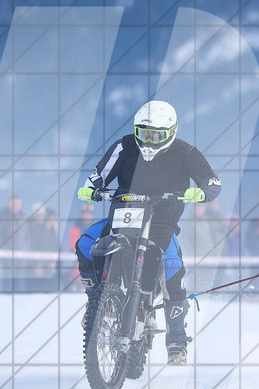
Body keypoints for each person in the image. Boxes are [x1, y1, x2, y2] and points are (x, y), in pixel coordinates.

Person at [77, 100, 221, 365]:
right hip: (122, 217)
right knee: (85, 245)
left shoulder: (186, 152)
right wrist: (91, 187)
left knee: (173, 268)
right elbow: (100, 173)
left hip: (162, 222)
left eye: (157, 136)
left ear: (171, 132)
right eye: (144, 134)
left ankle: (176, 340)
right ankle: (95, 302)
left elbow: (211, 180)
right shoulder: (124, 146)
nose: (150, 141)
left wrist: (201, 192)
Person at [0, 194, 25, 292]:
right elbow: (0, 235)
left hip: (20, 253)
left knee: (18, 280)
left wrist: (25, 247)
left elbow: (26, 235)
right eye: (14, 204)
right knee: (7, 279)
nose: (17, 206)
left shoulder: (22, 216)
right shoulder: (3, 216)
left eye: (19, 204)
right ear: (9, 203)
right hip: (7, 254)